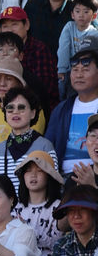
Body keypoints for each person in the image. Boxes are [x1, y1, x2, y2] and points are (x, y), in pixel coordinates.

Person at [46, 42, 98, 174]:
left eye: (85, 70)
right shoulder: (61, 109)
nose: (79, 75)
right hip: (65, 178)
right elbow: (48, 146)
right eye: (75, 70)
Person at [49, 186, 98, 256]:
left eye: (83, 209)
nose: (76, 216)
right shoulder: (62, 245)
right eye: (71, 210)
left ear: (94, 212)